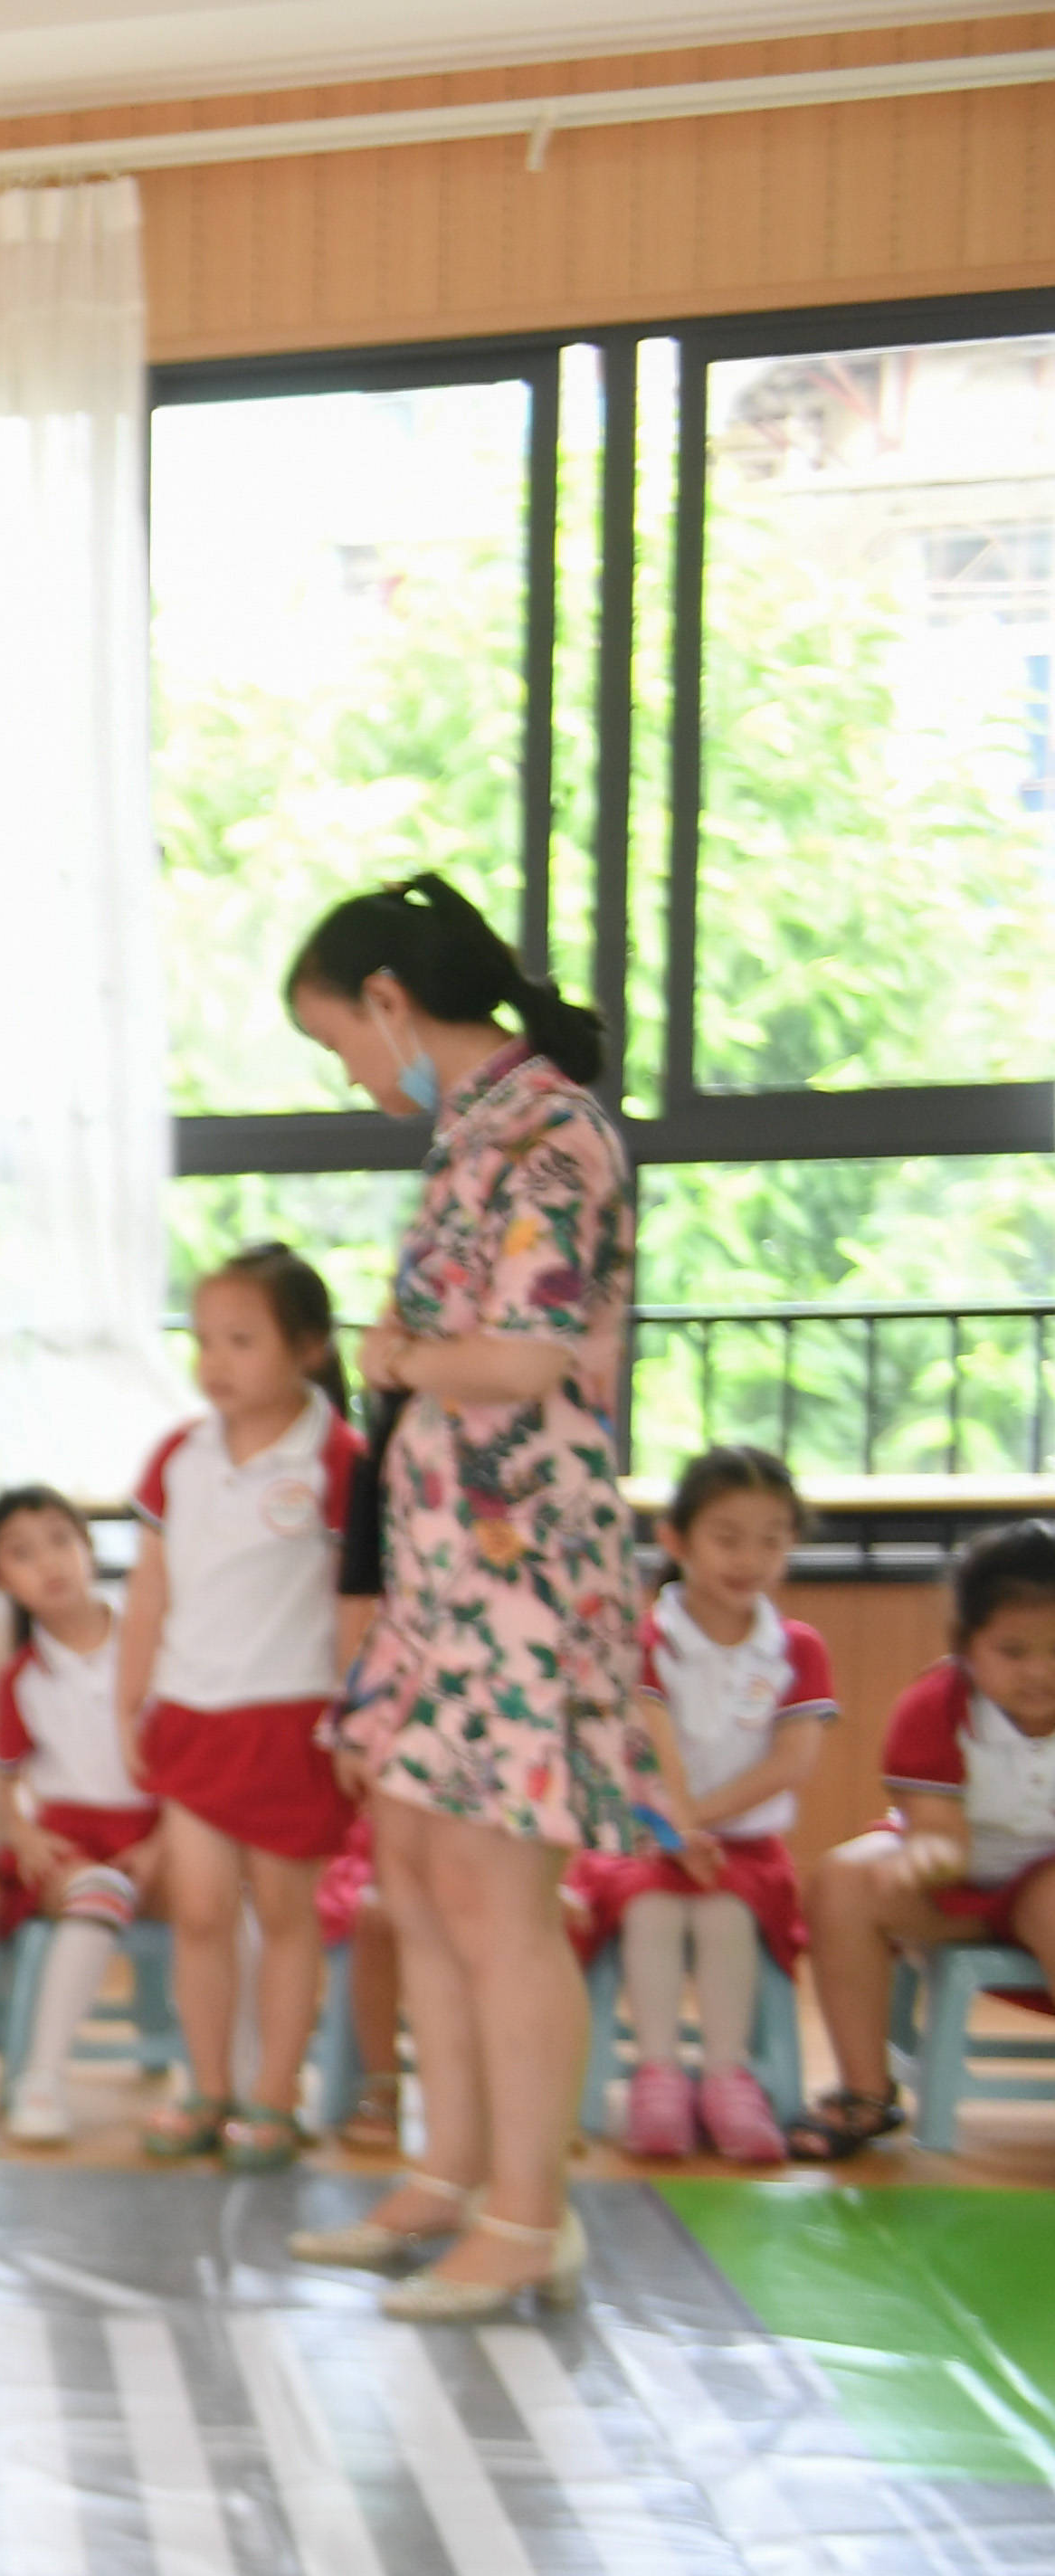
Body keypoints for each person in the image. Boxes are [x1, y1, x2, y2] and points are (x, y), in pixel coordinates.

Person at [282, 872, 643, 2319]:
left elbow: (528, 1353)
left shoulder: (551, 1129)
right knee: (422, 1881)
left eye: (341, 1044)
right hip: (447, 1576)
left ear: (389, 1001)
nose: (355, 1077)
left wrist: (395, 1360)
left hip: (524, 1575)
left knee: (501, 1900)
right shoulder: (471, 1136)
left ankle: (526, 2214)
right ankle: (449, 2174)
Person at [116, 1244, 365, 2173]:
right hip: (192, 1713)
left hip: (292, 1721)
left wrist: (351, 1721)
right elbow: (148, 1589)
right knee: (201, 1911)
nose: (216, 1361)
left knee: (287, 1915)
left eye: (242, 1340)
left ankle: (275, 2096)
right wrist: (128, 1700)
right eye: (204, 1338)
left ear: (307, 1348)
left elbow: (356, 1607)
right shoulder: (178, 1456)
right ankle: (208, 2084)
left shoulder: (340, 1456)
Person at [575, 1447, 832, 2162]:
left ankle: (726, 2077)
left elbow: (792, 1761)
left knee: (725, 1913)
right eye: (727, 1537)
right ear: (676, 1540)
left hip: (743, 1849)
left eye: (772, 1539)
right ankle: (658, 2074)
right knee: (653, 1910)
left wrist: (703, 1825)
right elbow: (647, 1748)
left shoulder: (796, 1648)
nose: (749, 1557)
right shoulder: (647, 1638)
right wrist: (675, 1829)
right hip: (644, 1836)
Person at [793, 1516, 1055, 2158]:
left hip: (1045, 1888)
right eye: (1014, 1652)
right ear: (967, 1646)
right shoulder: (935, 1707)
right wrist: (927, 1859)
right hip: (952, 1881)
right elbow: (939, 1833)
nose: (1040, 1673)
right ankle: (865, 2092)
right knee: (842, 1880)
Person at [0, 1481, 162, 2146]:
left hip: (163, 1831)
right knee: (97, 1892)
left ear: (89, 1548)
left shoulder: (154, 1648)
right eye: (23, 1553)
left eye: (62, 1541)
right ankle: (43, 2077)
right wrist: (22, 1830)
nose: (50, 1563)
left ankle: (238, 2084)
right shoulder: (20, 1677)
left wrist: (166, 1840)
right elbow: (11, 1781)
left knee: (226, 1902)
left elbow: (192, 1762)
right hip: (74, 1841)